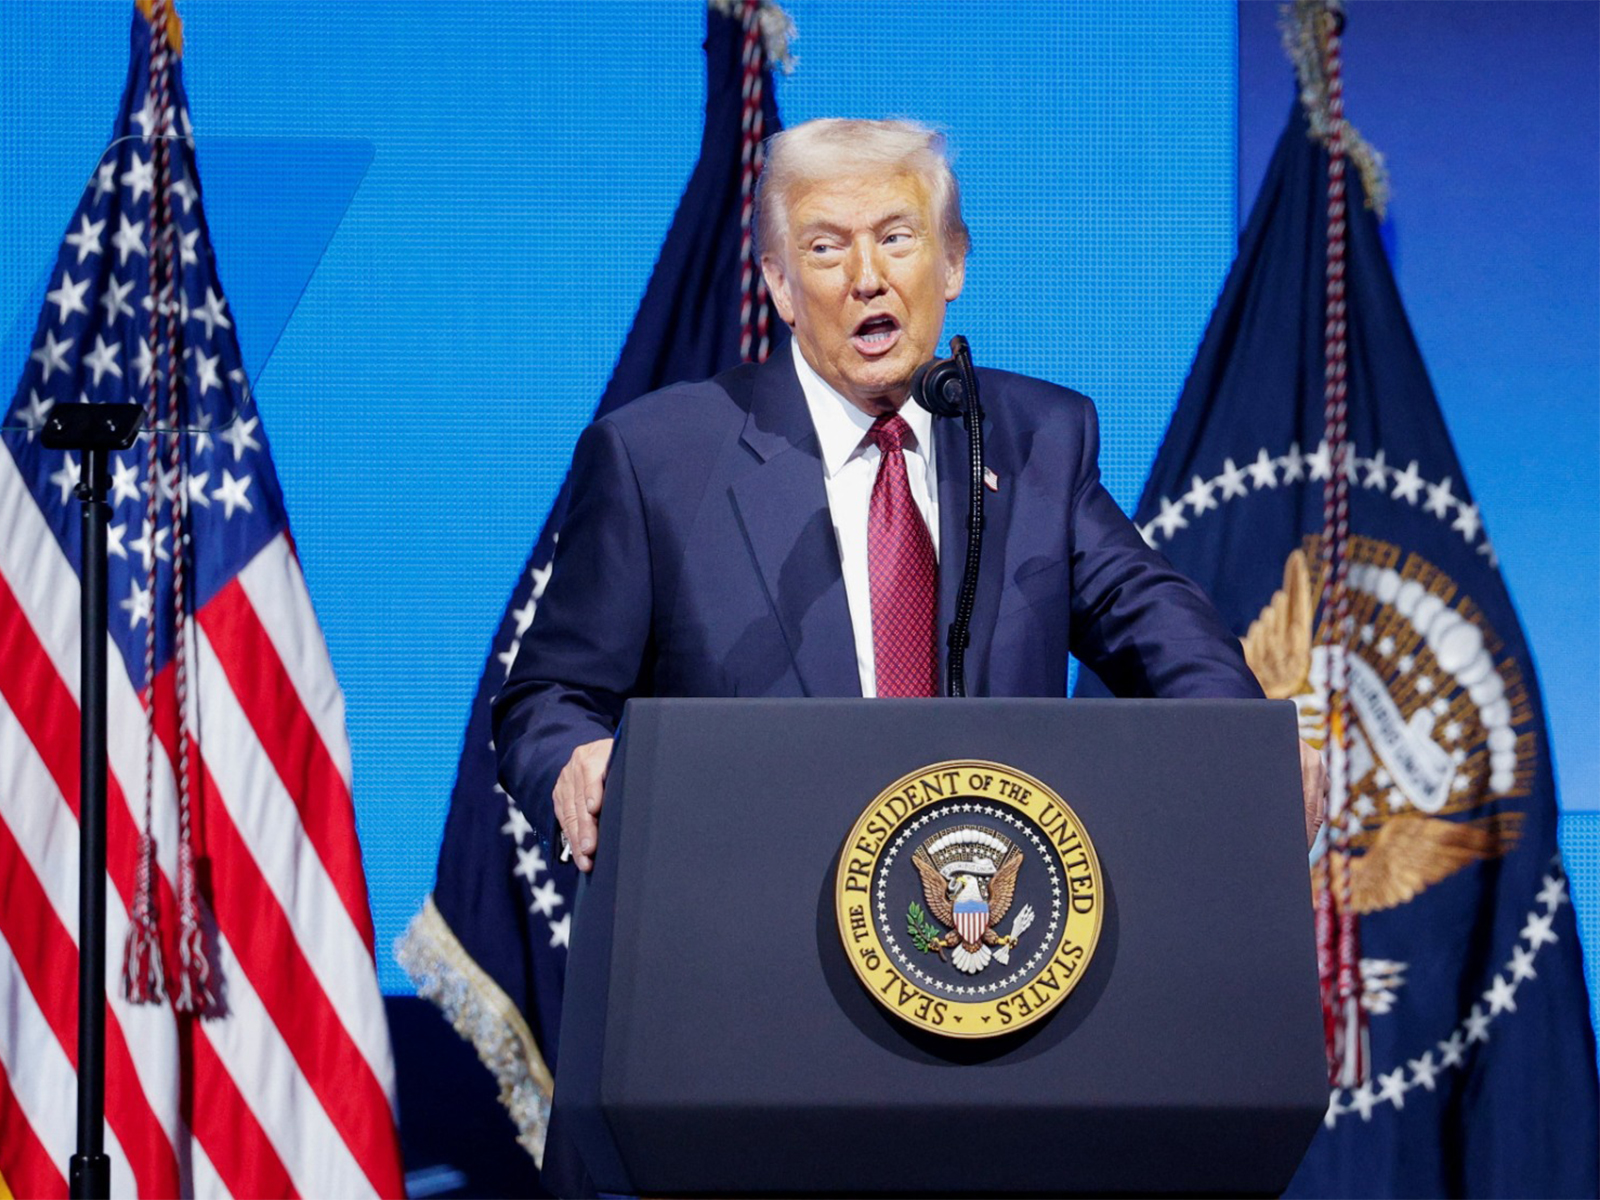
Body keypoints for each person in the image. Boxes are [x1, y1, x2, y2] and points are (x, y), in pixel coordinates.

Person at [493, 118, 1326, 871]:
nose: (867, 278)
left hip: (993, 940)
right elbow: (549, 698)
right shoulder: (658, 459)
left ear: (953, 261)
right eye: (825, 249)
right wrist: (578, 762)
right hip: (750, 934)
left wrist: (1244, 742)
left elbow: (1156, 623)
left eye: (897, 238)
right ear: (780, 286)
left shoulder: (1037, 437)